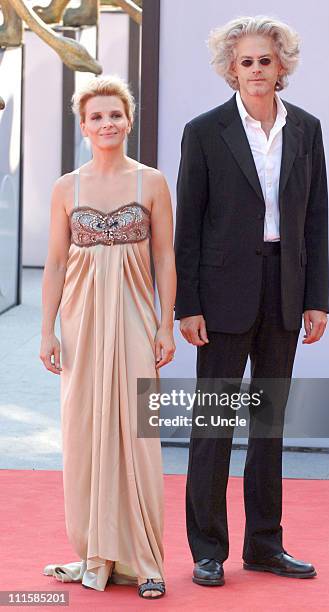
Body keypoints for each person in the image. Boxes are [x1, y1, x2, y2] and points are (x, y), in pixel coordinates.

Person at [175, 16, 329, 586]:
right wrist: (186, 304)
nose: (257, 70)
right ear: (230, 70)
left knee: (268, 425)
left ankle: (265, 545)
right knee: (213, 425)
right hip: (220, 294)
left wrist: (317, 298)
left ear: (282, 65)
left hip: (285, 290)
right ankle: (207, 550)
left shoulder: (307, 129)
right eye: (247, 61)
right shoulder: (205, 130)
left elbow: (316, 219)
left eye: (267, 60)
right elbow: (188, 224)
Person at [40, 75, 176, 598]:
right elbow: (54, 263)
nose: (106, 124)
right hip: (79, 323)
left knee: (139, 437)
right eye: (96, 117)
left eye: (114, 115)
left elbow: (165, 257)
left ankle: (147, 561)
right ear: (83, 125)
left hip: (138, 320)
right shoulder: (65, 188)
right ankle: (96, 551)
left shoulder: (152, 183)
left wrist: (166, 323)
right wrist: (48, 329)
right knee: (85, 432)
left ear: (129, 120)